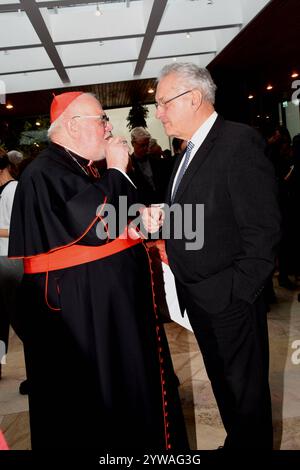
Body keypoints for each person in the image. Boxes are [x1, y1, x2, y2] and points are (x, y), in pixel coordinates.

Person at [8, 92, 188, 450]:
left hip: (102, 308)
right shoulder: (46, 170)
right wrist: (118, 169)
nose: (109, 128)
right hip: (83, 315)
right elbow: (93, 223)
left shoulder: (79, 166)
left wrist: (136, 222)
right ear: (73, 126)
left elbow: (103, 222)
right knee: (97, 407)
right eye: (101, 120)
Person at [144, 63, 281, 449]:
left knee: (246, 394)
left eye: (163, 103)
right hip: (199, 297)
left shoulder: (238, 143)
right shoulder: (187, 151)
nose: (159, 112)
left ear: (193, 98)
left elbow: (263, 229)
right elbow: (209, 213)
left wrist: (238, 293)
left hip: (229, 299)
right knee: (226, 387)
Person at [0, 151, 23, 379]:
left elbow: (20, 228)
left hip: (10, 260)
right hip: (3, 261)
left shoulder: (13, 189)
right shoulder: (4, 191)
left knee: (19, 319)